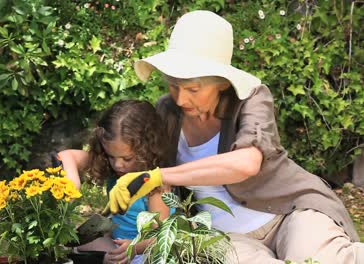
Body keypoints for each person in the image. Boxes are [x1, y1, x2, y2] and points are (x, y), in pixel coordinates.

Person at [107, 10, 363, 264]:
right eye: (174, 85)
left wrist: (159, 176)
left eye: (193, 88)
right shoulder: (167, 112)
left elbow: (246, 163)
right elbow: (127, 148)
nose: (181, 98)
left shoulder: (251, 99)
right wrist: (74, 167)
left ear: (222, 82)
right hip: (228, 237)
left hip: (290, 211)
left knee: (314, 259)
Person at [58, 99, 172, 264]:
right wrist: (72, 184)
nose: (118, 164)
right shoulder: (113, 167)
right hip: (116, 243)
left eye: (127, 158)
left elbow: (161, 237)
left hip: (146, 250)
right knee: (73, 245)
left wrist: (134, 248)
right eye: (111, 156)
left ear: (147, 150)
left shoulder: (156, 184)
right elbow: (67, 155)